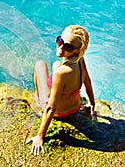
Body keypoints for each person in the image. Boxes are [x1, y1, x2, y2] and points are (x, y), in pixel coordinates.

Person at [26, 25, 96, 155]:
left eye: (68, 47)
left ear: (76, 50)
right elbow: (87, 81)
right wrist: (92, 104)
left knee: (40, 65)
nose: (61, 47)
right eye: (60, 41)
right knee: (55, 64)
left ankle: (37, 98)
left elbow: (51, 108)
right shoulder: (80, 60)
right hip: (75, 108)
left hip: (60, 113)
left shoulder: (61, 74)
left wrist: (40, 136)